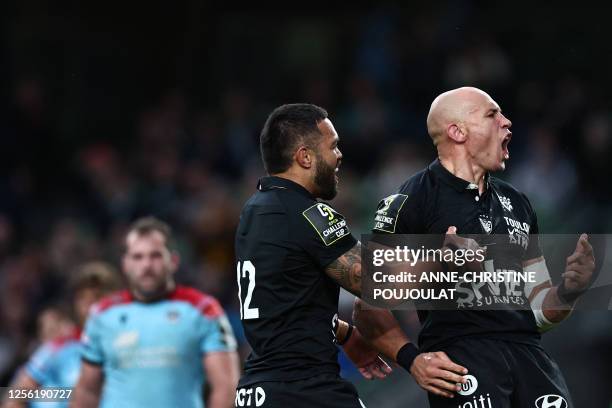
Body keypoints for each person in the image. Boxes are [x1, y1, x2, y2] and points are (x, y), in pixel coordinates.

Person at [354, 87, 595, 408]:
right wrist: (413, 360)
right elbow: (368, 305)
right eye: (492, 114)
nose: (507, 122)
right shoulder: (410, 201)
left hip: (531, 359)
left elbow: (538, 312)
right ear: (457, 131)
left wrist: (569, 291)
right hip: (463, 360)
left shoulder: (518, 203)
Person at [234, 103, 390, 408]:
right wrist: (474, 267)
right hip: (304, 391)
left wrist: (344, 333)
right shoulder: (307, 213)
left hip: (257, 392)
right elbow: (371, 278)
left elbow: (284, 302)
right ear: (305, 157)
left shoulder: (254, 211)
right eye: (333, 146)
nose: (339, 155)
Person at [71, 217, 240, 408]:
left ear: (173, 261)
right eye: (138, 257)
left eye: (156, 256)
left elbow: (226, 386)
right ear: (125, 263)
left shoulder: (203, 310)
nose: (146, 266)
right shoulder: (102, 314)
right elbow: (86, 391)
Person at [2, 262, 122, 408]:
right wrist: (65, 394)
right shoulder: (59, 348)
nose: (90, 305)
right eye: (83, 298)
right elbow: (15, 395)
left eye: (97, 296)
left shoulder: (129, 344)